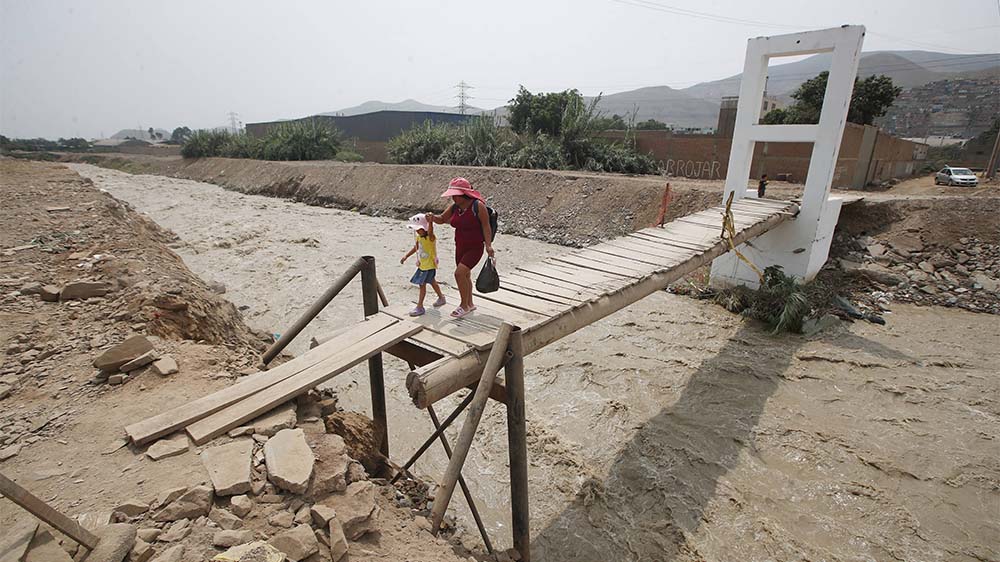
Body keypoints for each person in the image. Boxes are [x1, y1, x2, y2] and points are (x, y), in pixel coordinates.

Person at [427, 177, 494, 319]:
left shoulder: (478, 206)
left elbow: (486, 226)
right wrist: (432, 217)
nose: (453, 198)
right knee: (466, 275)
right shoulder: (455, 207)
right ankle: (469, 304)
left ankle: (463, 305)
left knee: (459, 273)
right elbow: (441, 219)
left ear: (464, 194)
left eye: (456, 195)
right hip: (460, 246)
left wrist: (488, 245)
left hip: (475, 247)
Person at [399, 213, 446, 317]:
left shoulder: (430, 237)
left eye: (419, 229)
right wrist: (406, 256)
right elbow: (415, 248)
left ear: (425, 228)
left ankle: (420, 306)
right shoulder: (419, 237)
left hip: (429, 265)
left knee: (422, 285)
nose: (417, 231)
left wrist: (430, 222)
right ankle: (441, 297)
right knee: (432, 281)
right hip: (423, 265)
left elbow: (430, 232)